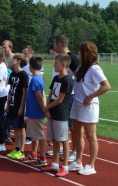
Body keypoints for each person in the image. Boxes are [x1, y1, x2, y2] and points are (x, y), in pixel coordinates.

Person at [68, 41, 110, 175]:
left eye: (80, 52)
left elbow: (106, 86)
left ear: (86, 53)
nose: (78, 54)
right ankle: (78, 162)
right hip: (77, 104)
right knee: (76, 132)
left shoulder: (94, 68)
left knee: (91, 136)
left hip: (88, 106)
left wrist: (90, 96)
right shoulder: (81, 67)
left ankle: (91, 165)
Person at [42, 54, 73, 177]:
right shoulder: (56, 79)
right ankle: (54, 163)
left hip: (61, 114)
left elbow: (60, 99)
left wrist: (46, 107)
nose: (54, 65)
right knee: (54, 140)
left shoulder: (68, 80)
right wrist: (47, 109)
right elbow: (51, 95)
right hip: (52, 113)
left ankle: (65, 166)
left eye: (56, 64)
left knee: (63, 140)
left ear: (63, 65)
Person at [53, 35, 79, 162]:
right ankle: (66, 148)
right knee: (64, 124)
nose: (53, 46)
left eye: (54, 44)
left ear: (59, 45)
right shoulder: (60, 58)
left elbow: (78, 77)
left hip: (70, 95)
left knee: (71, 124)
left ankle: (75, 150)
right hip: (60, 92)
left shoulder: (72, 58)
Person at [23, 56, 47, 166]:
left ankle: (42, 157)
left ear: (31, 67)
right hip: (33, 111)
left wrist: (43, 109)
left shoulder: (35, 79)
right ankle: (34, 153)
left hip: (36, 112)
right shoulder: (38, 78)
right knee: (34, 135)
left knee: (40, 136)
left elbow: (39, 96)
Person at [6, 53, 29, 160]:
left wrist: (21, 107)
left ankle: (22, 150)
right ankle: (17, 148)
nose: (12, 60)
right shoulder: (12, 74)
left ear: (19, 61)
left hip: (19, 104)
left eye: (14, 59)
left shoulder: (23, 75)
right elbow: (10, 90)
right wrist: (8, 103)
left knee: (21, 128)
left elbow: (24, 93)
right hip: (12, 103)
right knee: (15, 127)